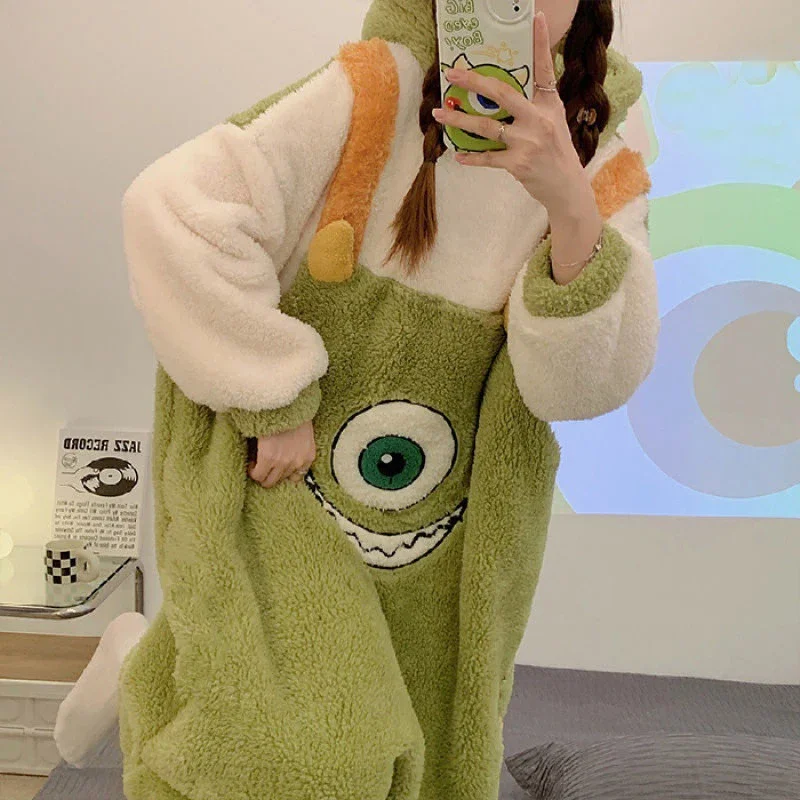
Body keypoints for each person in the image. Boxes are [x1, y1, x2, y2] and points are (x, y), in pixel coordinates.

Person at [55, 1, 659, 798]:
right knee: (310, 762)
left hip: (453, 514)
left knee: (426, 758)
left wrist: (568, 201)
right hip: (286, 472)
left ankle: (142, 656)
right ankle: (151, 673)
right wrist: (275, 395)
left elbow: (578, 386)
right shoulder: (377, 85)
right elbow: (174, 208)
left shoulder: (605, 155)